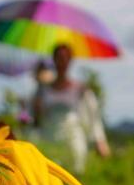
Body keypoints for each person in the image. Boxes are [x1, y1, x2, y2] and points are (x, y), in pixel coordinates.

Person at [32, 44, 110, 174]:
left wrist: (100, 141)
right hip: (49, 141)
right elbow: (35, 122)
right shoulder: (42, 91)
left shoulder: (80, 89)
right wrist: (37, 110)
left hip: (74, 141)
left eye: (65, 58)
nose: (62, 61)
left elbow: (93, 117)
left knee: (75, 174)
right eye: (59, 58)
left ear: (70, 61)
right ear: (54, 60)